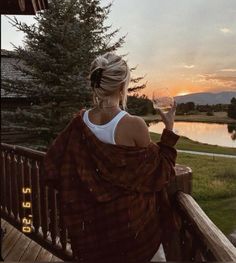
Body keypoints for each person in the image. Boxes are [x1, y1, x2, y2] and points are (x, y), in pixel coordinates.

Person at [43, 52, 180, 263]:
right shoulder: (134, 125)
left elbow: (53, 164)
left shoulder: (79, 123)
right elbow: (159, 172)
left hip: (93, 230)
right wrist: (169, 127)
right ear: (121, 86)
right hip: (133, 230)